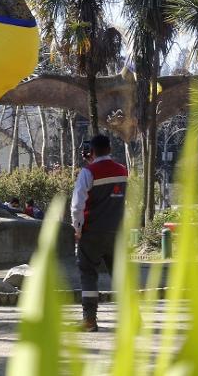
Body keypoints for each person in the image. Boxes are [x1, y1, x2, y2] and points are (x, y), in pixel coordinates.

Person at [70, 134, 128, 332]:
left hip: (92, 232)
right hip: (116, 232)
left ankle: (90, 320)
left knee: (88, 274)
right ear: (110, 149)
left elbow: (77, 205)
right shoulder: (122, 171)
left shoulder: (88, 172)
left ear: (91, 151)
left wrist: (77, 229)